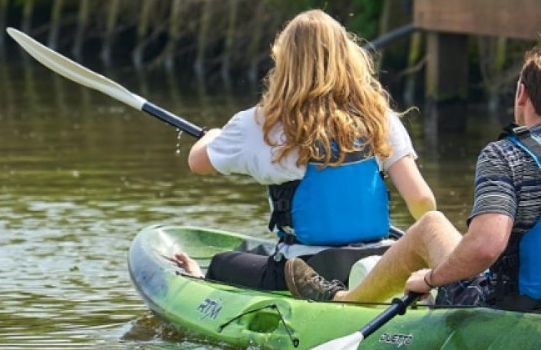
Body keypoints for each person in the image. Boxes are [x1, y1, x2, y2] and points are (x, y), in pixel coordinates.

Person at [285, 47, 541, 311]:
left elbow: (485, 247)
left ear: (522, 94)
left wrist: (430, 279)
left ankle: (344, 301)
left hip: (516, 305)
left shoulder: (505, 156)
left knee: (431, 224)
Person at [171, 9, 436, 292]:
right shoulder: (379, 117)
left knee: (223, 263)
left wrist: (212, 136)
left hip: (305, 271)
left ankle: (199, 281)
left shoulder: (260, 123)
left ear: (284, 62)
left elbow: (197, 162)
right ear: (347, 57)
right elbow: (421, 199)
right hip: (381, 263)